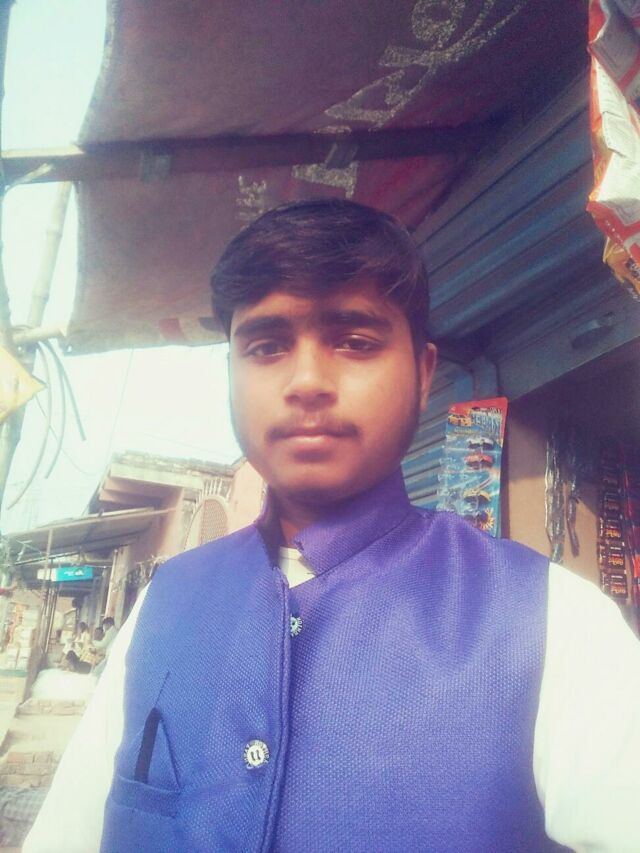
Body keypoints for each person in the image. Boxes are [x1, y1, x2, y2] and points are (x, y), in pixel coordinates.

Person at [24, 200, 640, 852]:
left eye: (355, 342)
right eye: (266, 346)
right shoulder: (163, 603)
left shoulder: (552, 622)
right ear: (231, 372)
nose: (308, 381)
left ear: (423, 374)